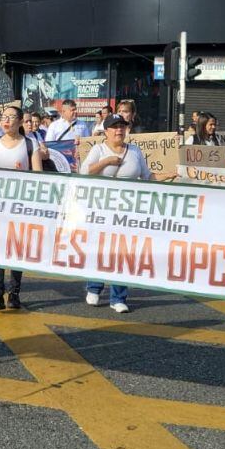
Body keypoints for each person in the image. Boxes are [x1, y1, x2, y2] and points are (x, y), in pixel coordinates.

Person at [80, 114, 151, 312]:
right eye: (115, 127)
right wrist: (106, 161)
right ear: (106, 131)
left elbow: (147, 176)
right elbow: (84, 172)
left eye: (122, 126)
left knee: (122, 251)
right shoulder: (98, 149)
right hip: (101, 209)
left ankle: (118, 297)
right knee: (100, 248)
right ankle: (94, 287)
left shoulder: (135, 151)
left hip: (127, 211)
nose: (119, 130)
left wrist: (167, 176)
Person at [0, 105, 44, 310]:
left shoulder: (29, 144)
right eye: (3, 117)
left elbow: (38, 175)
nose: (6, 120)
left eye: (11, 117)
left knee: (17, 248)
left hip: (21, 207)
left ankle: (14, 293)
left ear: (20, 122)